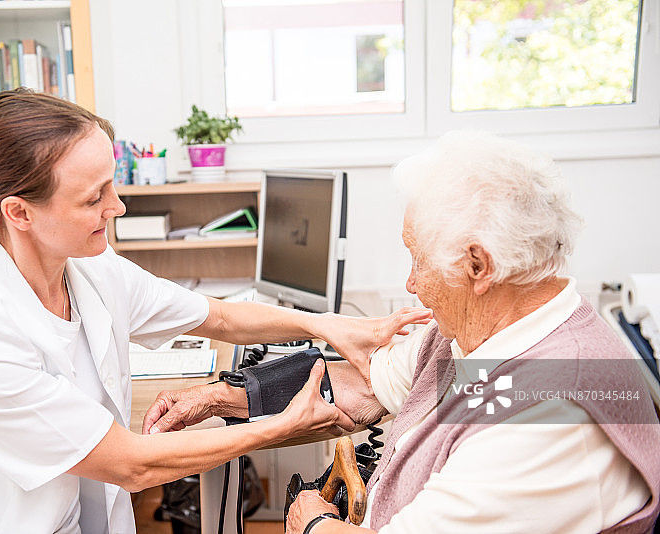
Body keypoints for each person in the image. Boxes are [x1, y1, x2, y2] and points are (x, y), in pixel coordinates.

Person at [0, 88, 433, 534]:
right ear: (19, 212)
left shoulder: (510, 375)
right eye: (94, 197)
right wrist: (275, 424)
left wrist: (323, 325)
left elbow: (217, 317)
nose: (118, 206)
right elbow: (133, 464)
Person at [145, 131, 660, 533]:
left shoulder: (555, 415)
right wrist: (214, 399)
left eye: (418, 261)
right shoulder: (482, 332)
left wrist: (311, 523)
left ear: (479, 266)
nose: (410, 284)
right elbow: (363, 387)